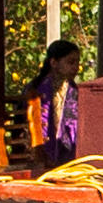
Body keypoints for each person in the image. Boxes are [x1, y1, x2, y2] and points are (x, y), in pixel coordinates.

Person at [21, 40, 84, 174]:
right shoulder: (61, 88)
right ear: (54, 62)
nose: (76, 68)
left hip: (28, 154)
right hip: (51, 157)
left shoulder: (33, 86)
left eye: (77, 63)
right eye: (71, 62)